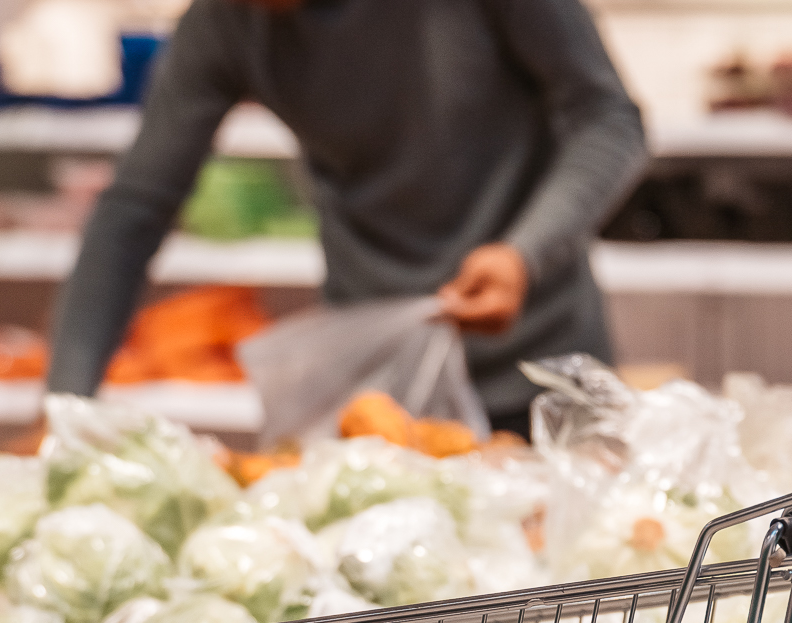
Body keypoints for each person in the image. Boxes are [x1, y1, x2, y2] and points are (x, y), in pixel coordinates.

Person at [47, 0, 648, 435]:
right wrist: (66, 408)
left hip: (544, 366)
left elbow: (609, 119)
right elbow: (134, 209)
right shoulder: (225, 22)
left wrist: (525, 253)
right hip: (379, 388)